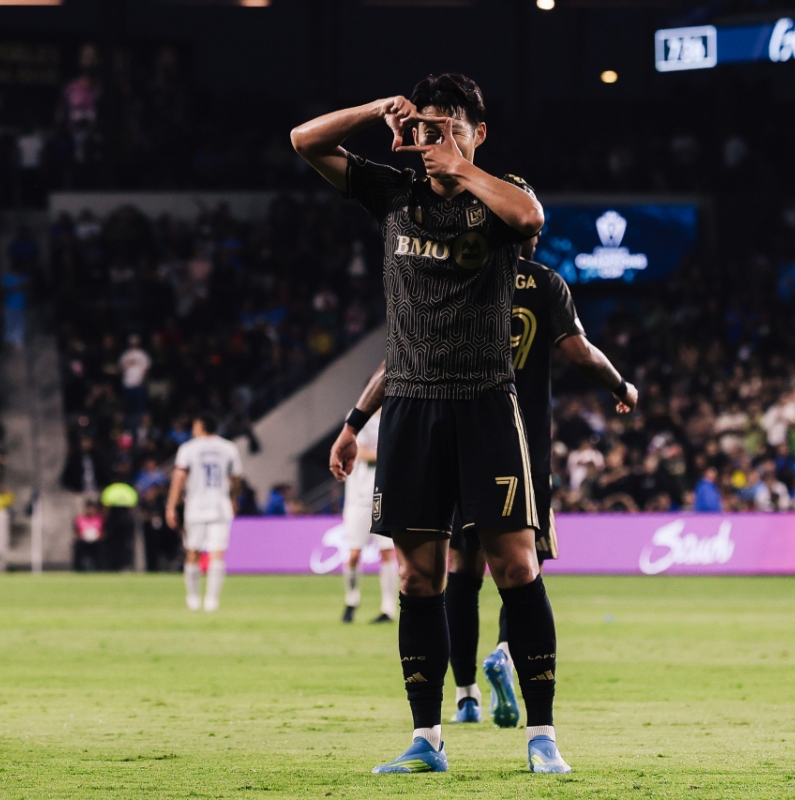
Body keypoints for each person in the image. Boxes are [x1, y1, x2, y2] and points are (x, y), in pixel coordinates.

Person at [294, 72, 574, 774]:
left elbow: (533, 220)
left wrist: (461, 166)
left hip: (485, 401)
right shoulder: (395, 193)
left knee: (515, 565)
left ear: (478, 133)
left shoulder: (501, 196)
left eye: (449, 125)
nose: (433, 139)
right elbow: (303, 142)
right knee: (419, 579)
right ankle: (427, 737)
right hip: (414, 408)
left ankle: (542, 735)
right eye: (425, 127)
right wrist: (375, 110)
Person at [334, 240, 638, 730]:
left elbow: (399, 360)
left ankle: (465, 696)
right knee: (521, 567)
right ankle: (505, 654)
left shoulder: (450, 277)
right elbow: (579, 352)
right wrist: (622, 386)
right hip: (519, 443)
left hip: (454, 441)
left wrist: (353, 421)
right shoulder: (542, 282)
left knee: (461, 572)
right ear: (530, 235)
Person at [166, 413, 243, 612]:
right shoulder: (228, 447)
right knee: (217, 553)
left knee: (193, 551)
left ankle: (193, 598)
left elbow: (179, 478)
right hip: (220, 505)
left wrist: (171, 506)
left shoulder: (188, 449)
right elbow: (236, 478)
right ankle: (212, 600)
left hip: (196, 506)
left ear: (200, 426)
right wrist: (234, 499)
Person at [339, 410, 398, 624]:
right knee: (354, 554)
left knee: (388, 552)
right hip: (358, 499)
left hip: (386, 497)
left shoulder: (395, 416)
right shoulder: (357, 419)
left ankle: (388, 608)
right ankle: (351, 599)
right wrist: (388, 452)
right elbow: (358, 452)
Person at [73, 498, 105, 571]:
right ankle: (78, 569)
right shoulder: (80, 518)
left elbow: (104, 532)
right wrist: (82, 536)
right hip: (83, 541)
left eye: (92, 508)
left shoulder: (99, 518)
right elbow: (76, 533)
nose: (90, 510)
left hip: (96, 541)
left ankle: (100, 569)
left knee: (101, 547)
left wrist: (98, 537)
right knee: (78, 545)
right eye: (88, 508)